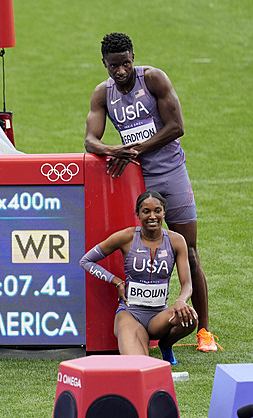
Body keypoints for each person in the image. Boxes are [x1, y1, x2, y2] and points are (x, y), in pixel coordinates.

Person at [83, 32, 219, 352]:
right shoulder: (103, 94)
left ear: (133, 58)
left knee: (191, 251)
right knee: (140, 248)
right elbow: (90, 140)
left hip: (170, 174)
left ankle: (205, 332)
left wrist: (136, 149)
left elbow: (176, 126)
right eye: (113, 66)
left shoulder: (153, 79)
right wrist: (112, 149)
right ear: (104, 64)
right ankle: (147, 317)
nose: (120, 71)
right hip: (136, 180)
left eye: (126, 63)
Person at [80, 191, 197, 365]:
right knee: (139, 365)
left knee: (190, 317)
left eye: (157, 211)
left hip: (159, 317)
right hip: (130, 314)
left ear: (164, 212)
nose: (152, 216)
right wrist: (116, 281)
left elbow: (187, 283)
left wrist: (181, 300)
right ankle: (139, 342)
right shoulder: (126, 237)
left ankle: (165, 346)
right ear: (138, 214)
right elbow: (86, 260)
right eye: (146, 211)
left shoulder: (176, 240)